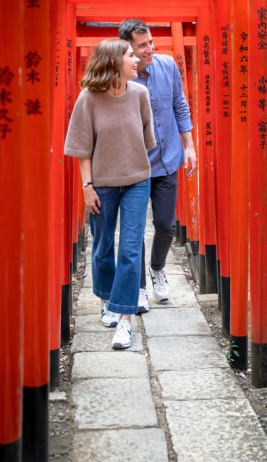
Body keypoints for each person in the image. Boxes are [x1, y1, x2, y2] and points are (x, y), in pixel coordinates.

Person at [64, 39, 155, 349]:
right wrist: (87, 187)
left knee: (130, 250)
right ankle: (105, 299)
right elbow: (82, 149)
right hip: (101, 183)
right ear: (114, 62)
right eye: (131, 55)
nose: (137, 59)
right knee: (103, 246)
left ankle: (124, 320)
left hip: (137, 182)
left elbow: (146, 139)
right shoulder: (88, 99)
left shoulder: (141, 94)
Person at [118, 19, 196, 312]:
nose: (150, 48)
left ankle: (157, 268)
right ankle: (137, 288)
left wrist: (189, 145)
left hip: (167, 160)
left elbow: (180, 103)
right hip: (135, 167)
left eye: (150, 41)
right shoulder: (121, 77)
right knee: (133, 230)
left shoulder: (168, 66)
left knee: (166, 225)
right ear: (129, 49)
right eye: (142, 45)